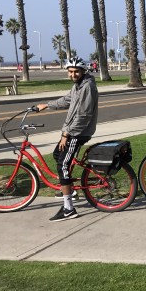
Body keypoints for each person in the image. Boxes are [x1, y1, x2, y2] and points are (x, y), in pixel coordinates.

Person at [36, 57, 98, 222]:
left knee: (62, 164)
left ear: (83, 71)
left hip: (78, 133)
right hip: (72, 131)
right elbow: (66, 101)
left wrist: (66, 134)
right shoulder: (78, 86)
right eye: (70, 72)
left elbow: (84, 116)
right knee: (58, 154)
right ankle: (70, 188)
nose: (73, 74)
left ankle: (69, 209)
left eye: (76, 71)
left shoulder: (87, 87)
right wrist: (47, 105)